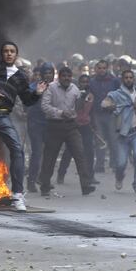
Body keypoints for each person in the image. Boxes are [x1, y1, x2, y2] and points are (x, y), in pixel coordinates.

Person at [0, 41, 44, 212]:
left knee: (17, 150)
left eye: (12, 51)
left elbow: (27, 100)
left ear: (16, 55)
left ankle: (17, 195)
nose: (9, 54)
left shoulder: (20, 76)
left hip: (3, 116)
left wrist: (37, 94)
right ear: (1, 53)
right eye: (5, 51)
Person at [38, 67, 96, 196]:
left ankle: (85, 185)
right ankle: (45, 185)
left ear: (71, 77)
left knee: (80, 154)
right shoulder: (51, 88)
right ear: (59, 77)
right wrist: (60, 113)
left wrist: (84, 100)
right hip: (54, 126)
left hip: (71, 126)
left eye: (68, 76)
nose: (66, 78)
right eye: (63, 76)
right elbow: (45, 106)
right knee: (50, 157)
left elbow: (78, 106)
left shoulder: (74, 89)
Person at [101, 70, 136, 193]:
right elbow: (104, 104)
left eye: (131, 77)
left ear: (134, 79)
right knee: (121, 163)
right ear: (122, 79)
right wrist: (109, 106)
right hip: (122, 134)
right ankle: (119, 176)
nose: (128, 79)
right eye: (126, 77)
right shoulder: (116, 94)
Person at [57, 75, 100, 185]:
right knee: (69, 151)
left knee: (89, 151)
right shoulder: (73, 94)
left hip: (86, 125)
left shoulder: (91, 95)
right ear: (78, 83)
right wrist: (81, 97)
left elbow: (92, 111)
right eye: (82, 82)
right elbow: (74, 108)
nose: (84, 84)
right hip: (74, 125)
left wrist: (94, 125)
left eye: (86, 82)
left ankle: (90, 175)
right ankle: (61, 174)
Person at [26, 62, 55, 193]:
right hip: (36, 124)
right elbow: (28, 103)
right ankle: (31, 181)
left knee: (49, 154)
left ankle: (45, 180)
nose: (49, 75)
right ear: (42, 74)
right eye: (46, 72)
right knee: (37, 153)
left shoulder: (56, 87)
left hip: (51, 124)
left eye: (51, 72)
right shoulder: (34, 87)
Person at [90, 60, 120, 173]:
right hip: (97, 114)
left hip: (111, 114)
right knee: (100, 141)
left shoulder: (114, 81)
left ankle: (115, 163)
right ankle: (100, 164)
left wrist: (115, 106)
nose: (102, 70)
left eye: (104, 68)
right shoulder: (92, 82)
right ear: (96, 69)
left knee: (113, 140)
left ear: (107, 69)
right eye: (99, 68)